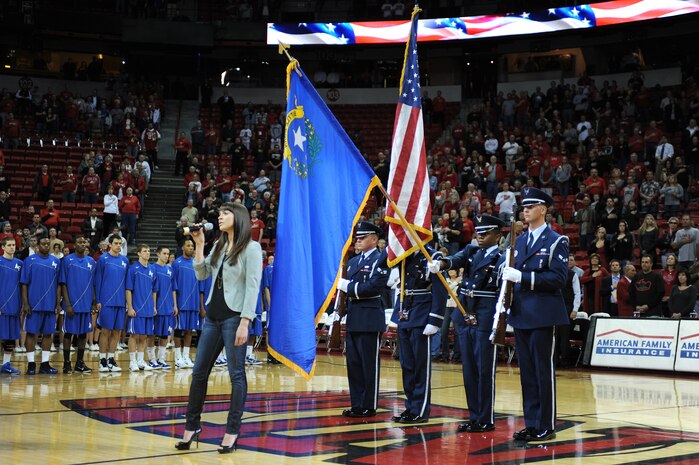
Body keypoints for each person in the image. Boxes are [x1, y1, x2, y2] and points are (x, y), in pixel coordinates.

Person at [176, 202, 262, 453]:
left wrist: (246, 321)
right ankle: (192, 427)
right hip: (213, 317)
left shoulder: (252, 248)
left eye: (225, 213)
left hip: (235, 318)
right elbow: (202, 274)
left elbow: (253, 286)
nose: (220, 216)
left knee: (236, 375)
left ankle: (232, 430)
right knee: (198, 373)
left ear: (239, 217)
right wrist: (200, 245)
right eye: (220, 213)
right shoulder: (219, 245)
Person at [500, 187, 569, 442]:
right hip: (520, 313)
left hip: (542, 314)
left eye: (531, 206)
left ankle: (546, 425)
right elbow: (506, 269)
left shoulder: (556, 241)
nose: (525, 210)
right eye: (523, 207)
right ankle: (531, 423)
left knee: (542, 371)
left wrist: (524, 277)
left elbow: (559, 278)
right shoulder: (518, 240)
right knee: (527, 373)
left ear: (544, 209)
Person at [430, 214, 505, 432]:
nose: (480, 237)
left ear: (498, 235)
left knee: (483, 369)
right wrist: (442, 263)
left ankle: (485, 418)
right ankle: (474, 416)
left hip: (485, 315)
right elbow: (457, 259)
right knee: (469, 370)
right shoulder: (472, 251)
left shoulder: (501, 258)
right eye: (478, 233)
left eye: (486, 233)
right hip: (465, 314)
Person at [336, 222, 389, 418]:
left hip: (369, 318)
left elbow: (374, 287)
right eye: (357, 237)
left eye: (363, 237)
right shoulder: (352, 262)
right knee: (354, 365)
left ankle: (369, 404)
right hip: (354, 318)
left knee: (369, 365)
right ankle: (357, 403)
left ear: (374, 239)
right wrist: (338, 311)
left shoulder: (380, 259)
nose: (358, 240)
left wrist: (348, 287)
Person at [389, 246, 447, 424]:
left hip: (422, 315)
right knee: (407, 365)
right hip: (405, 313)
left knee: (420, 366)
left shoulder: (432, 256)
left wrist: (435, 319)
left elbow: (440, 290)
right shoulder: (403, 256)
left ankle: (420, 410)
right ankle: (410, 407)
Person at [20, 237, 62, 374]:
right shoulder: (29, 261)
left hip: (50, 305)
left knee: (48, 334)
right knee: (31, 334)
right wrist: (25, 303)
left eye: (47, 244)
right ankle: (31, 364)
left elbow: (58, 286)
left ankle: (45, 364)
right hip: (33, 305)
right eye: (42, 243)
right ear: (37, 246)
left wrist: (57, 303)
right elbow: (24, 284)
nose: (45, 245)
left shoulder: (56, 261)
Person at [59, 236, 96, 374]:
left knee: (83, 335)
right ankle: (66, 363)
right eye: (80, 242)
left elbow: (93, 284)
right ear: (75, 245)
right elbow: (63, 283)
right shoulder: (67, 260)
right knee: (68, 334)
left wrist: (93, 302)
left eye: (84, 242)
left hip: (86, 304)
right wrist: (67, 304)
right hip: (72, 305)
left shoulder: (91, 261)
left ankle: (79, 363)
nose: (82, 244)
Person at [95, 234, 130, 372]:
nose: (118, 246)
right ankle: (102, 360)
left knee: (117, 332)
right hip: (106, 301)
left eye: (120, 243)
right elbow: (98, 280)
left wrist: (127, 302)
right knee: (105, 331)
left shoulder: (125, 261)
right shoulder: (103, 259)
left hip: (120, 302)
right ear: (110, 244)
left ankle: (111, 359)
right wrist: (98, 300)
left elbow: (127, 284)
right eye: (116, 243)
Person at [125, 244, 157, 372]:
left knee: (144, 336)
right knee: (134, 335)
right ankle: (132, 362)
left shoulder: (152, 269)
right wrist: (130, 307)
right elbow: (128, 289)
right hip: (136, 308)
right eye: (145, 251)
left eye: (149, 251)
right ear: (138, 253)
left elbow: (154, 290)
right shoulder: (133, 269)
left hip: (148, 308)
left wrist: (154, 306)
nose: (147, 253)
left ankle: (140, 360)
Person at [173, 239, 200, 368]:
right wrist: (175, 304)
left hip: (193, 304)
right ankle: (178, 357)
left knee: (189, 331)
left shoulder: (196, 263)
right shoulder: (177, 263)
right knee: (178, 330)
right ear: (183, 247)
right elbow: (173, 285)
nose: (191, 248)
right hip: (181, 303)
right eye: (188, 245)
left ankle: (186, 356)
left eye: (192, 246)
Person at [149, 246, 177, 369]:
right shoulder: (152, 268)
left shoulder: (170, 269)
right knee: (151, 334)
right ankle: (151, 359)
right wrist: (153, 306)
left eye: (168, 253)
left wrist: (175, 305)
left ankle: (161, 359)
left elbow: (173, 289)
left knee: (165, 335)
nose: (166, 256)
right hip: (156, 308)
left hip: (168, 308)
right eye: (164, 253)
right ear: (158, 254)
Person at [0, 237, 23, 374]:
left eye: (13, 245)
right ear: (3, 247)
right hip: (1, 306)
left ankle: (6, 364)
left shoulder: (20, 264)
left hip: (14, 306)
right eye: (9, 245)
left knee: (10, 337)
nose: (12, 247)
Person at [557, 252, 582, 367]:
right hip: (555, 308)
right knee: (555, 335)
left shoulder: (573, 275)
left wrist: (575, 309)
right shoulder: (556, 273)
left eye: (571, 260)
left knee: (565, 335)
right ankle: (555, 359)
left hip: (568, 308)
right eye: (567, 260)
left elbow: (577, 293)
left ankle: (565, 360)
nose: (568, 262)